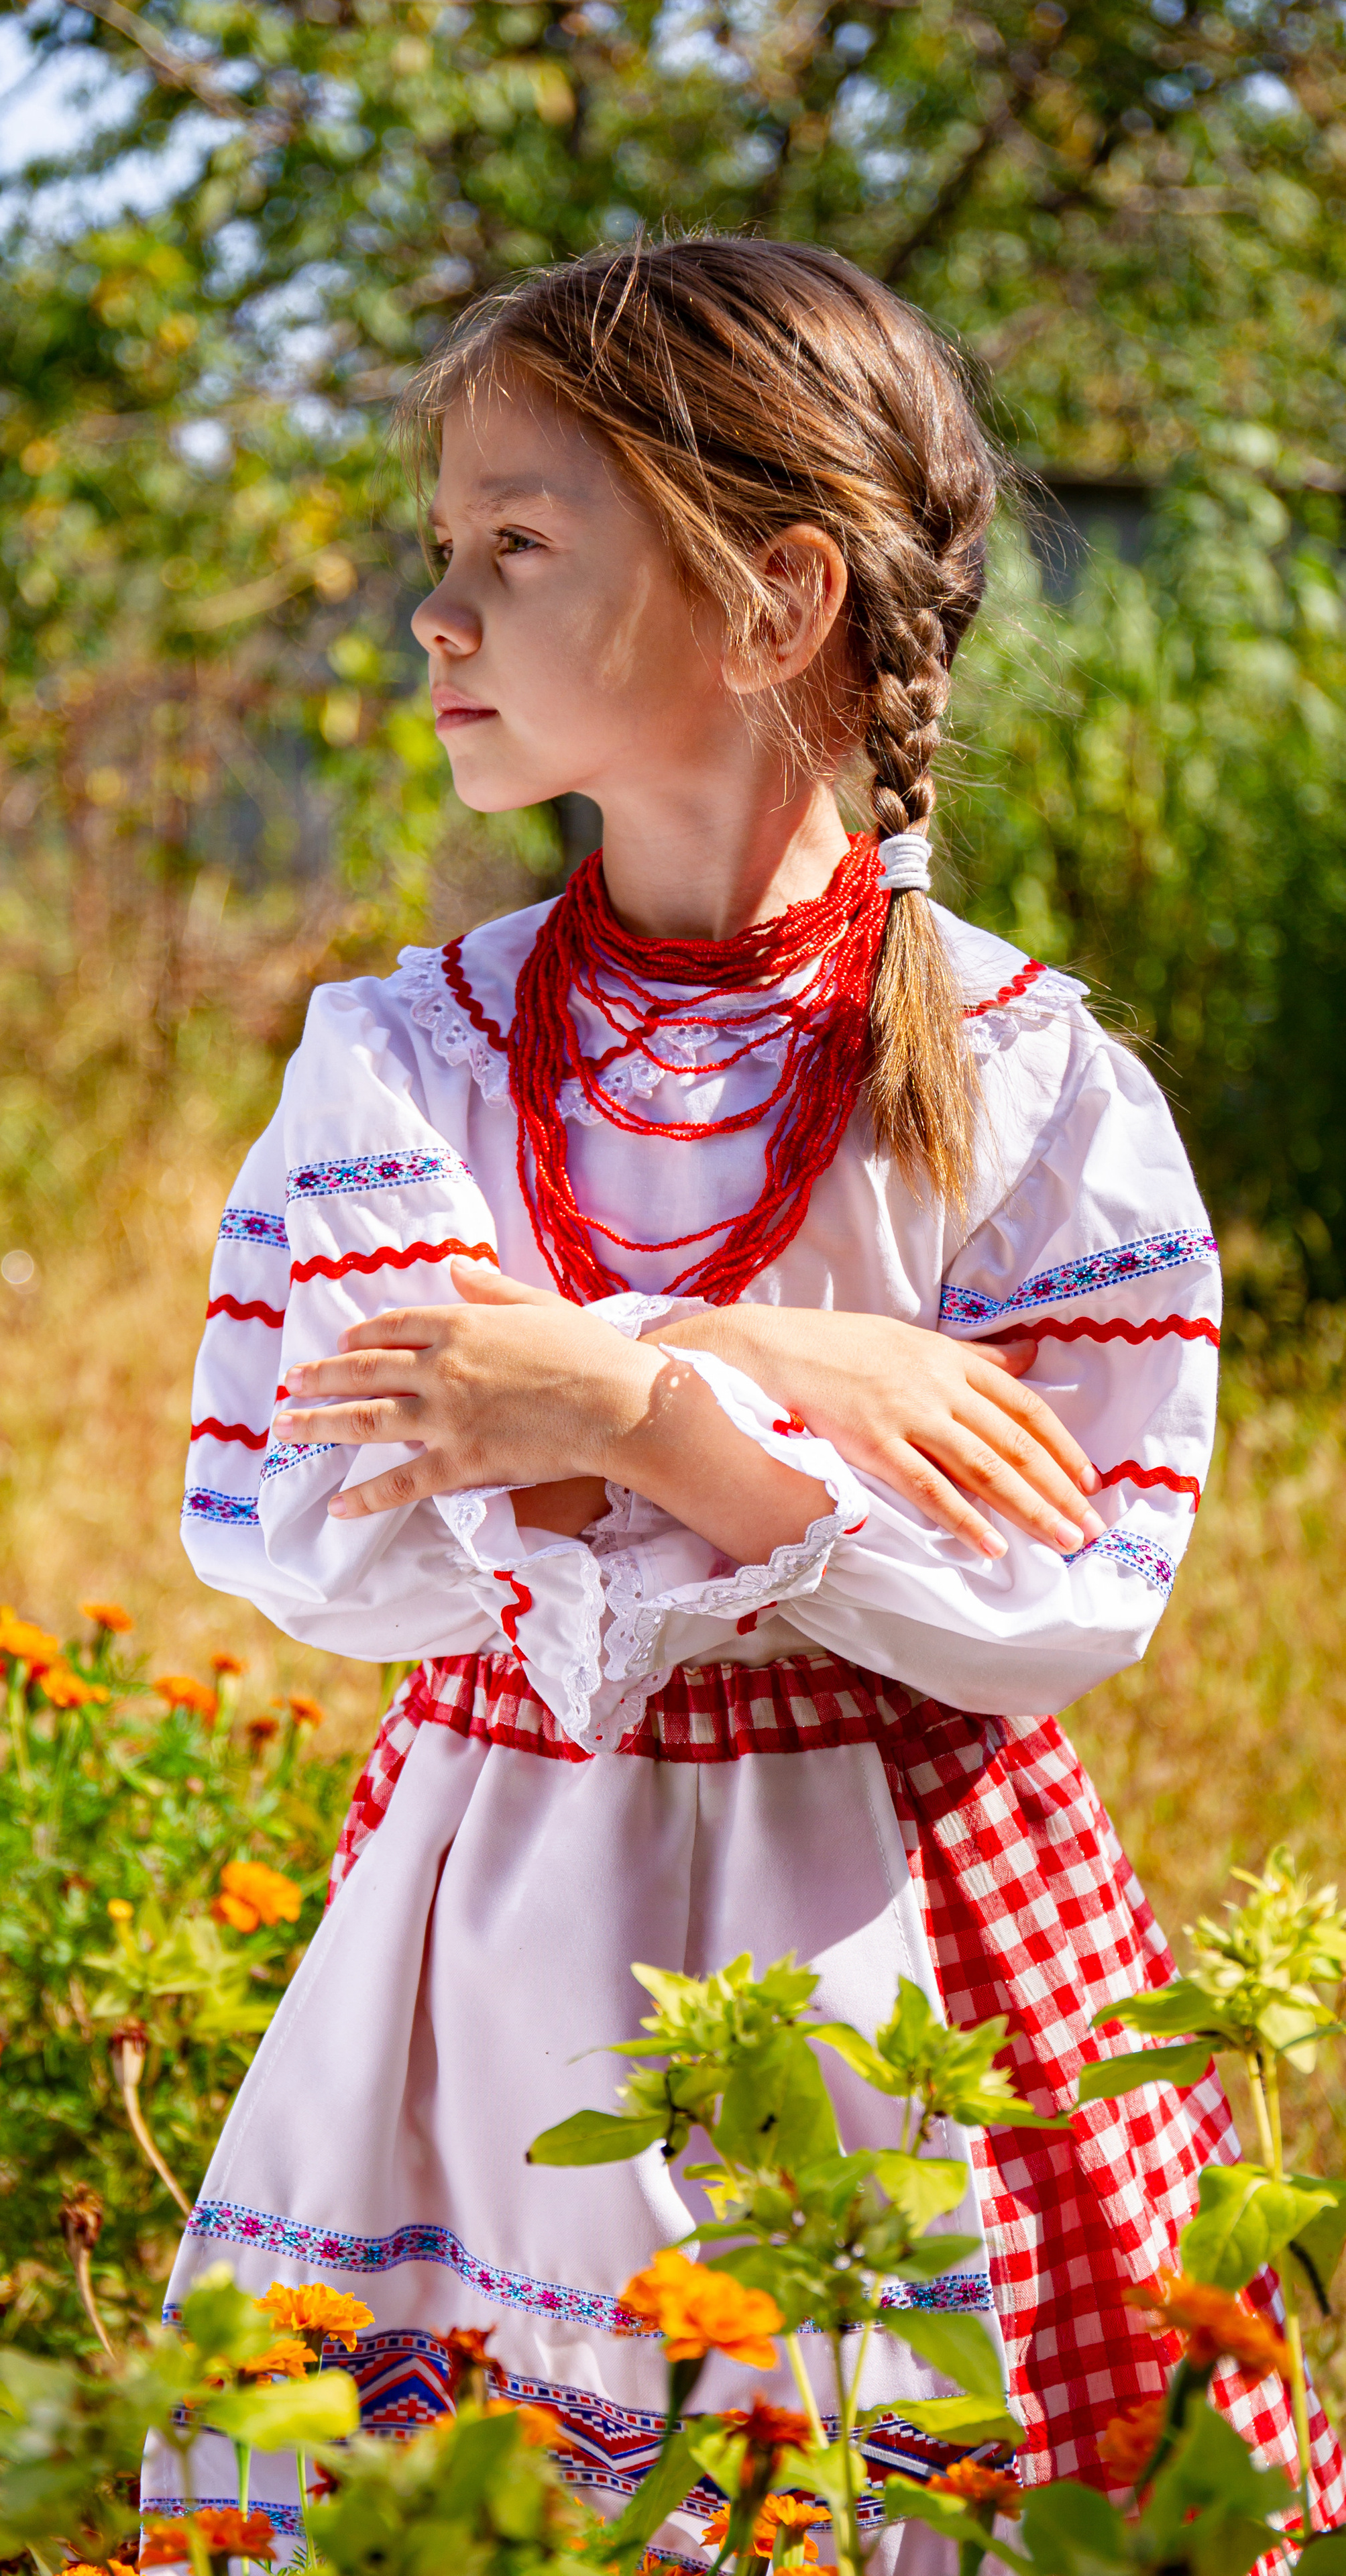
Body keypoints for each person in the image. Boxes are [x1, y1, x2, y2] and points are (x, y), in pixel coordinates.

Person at [144, 239, 1339, 2563]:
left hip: (899, 1941)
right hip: (496, 1939)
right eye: (443, 553)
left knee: (871, 2455)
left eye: (516, 546)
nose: (438, 616)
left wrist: (630, 1402)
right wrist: (773, 1357)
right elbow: (341, 1502)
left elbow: (1064, 1593)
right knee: (488, 2488)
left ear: (777, 597)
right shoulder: (404, 1054)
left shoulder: (1029, 1083)